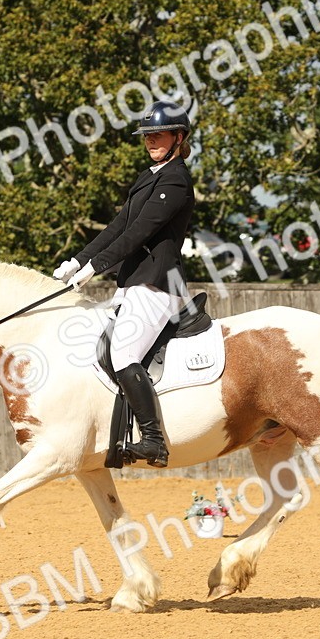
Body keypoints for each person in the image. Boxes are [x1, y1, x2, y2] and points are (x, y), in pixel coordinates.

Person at [53, 100, 196, 467]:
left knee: (123, 353)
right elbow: (118, 226)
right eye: (147, 136)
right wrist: (79, 259)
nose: (150, 141)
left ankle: (153, 440)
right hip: (133, 283)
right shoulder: (149, 176)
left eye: (158, 135)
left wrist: (97, 267)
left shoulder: (176, 179)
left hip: (158, 283)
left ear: (179, 137)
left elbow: (141, 232)